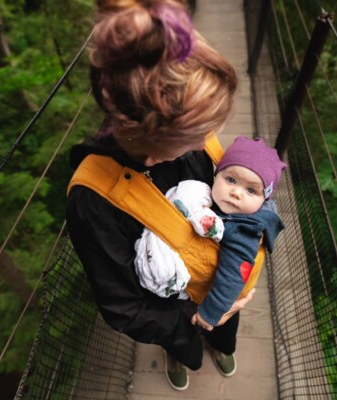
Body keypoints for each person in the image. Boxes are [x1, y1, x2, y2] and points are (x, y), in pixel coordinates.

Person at [66, 0, 258, 392]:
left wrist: (232, 294)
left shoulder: (191, 141)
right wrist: (198, 316)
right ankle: (183, 355)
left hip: (219, 279)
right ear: (156, 146)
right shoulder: (93, 201)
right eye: (195, 136)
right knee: (184, 345)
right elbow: (124, 307)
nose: (206, 141)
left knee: (225, 331)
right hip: (174, 313)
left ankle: (222, 345)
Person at [134, 136, 287, 336]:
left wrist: (211, 313)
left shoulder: (244, 230)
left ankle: (223, 350)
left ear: (264, 199)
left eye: (251, 190)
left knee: (218, 333)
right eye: (231, 180)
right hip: (206, 288)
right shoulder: (221, 205)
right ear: (217, 175)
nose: (236, 193)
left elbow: (233, 274)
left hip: (219, 299)